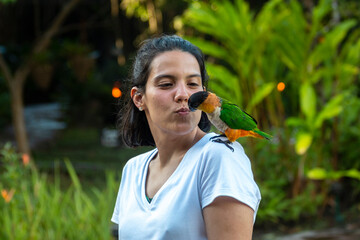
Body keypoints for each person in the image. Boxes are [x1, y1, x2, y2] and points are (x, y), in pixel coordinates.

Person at [111, 35, 261, 240]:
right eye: (166, 84)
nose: (183, 94)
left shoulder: (218, 157)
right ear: (139, 98)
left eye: (192, 84)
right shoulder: (133, 170)